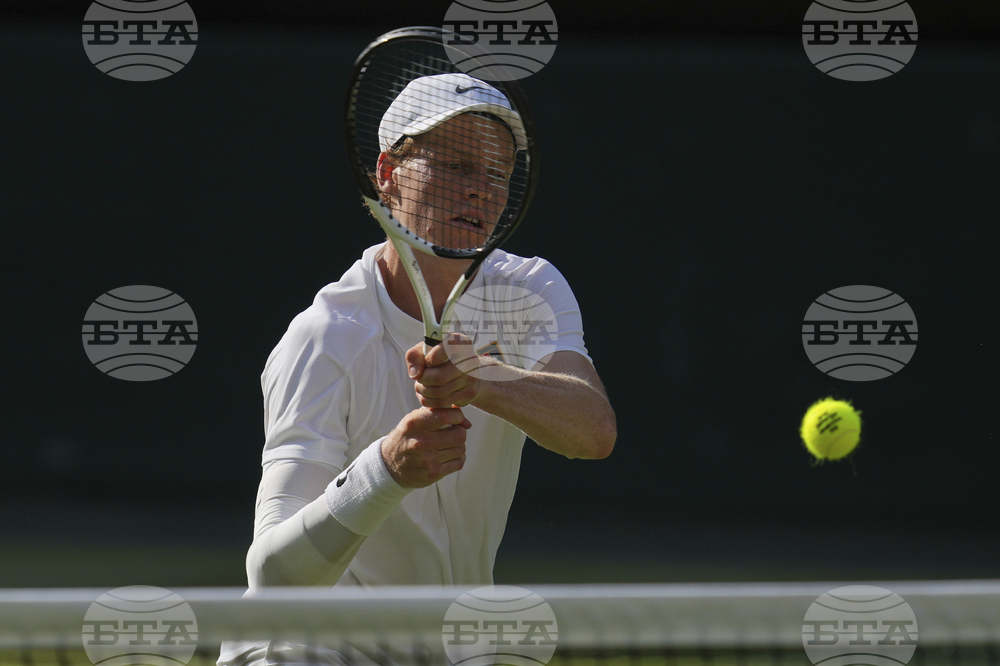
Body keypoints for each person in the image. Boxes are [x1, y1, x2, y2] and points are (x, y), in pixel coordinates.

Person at [218, 73, 615, 666]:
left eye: (498, 174)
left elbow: (592, 431)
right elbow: (274, 575)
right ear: (388, 175)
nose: (481, 191)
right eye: (456, 166)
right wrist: (385, 471)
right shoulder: (325, 338)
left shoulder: (529, 290)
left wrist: (484, 380)